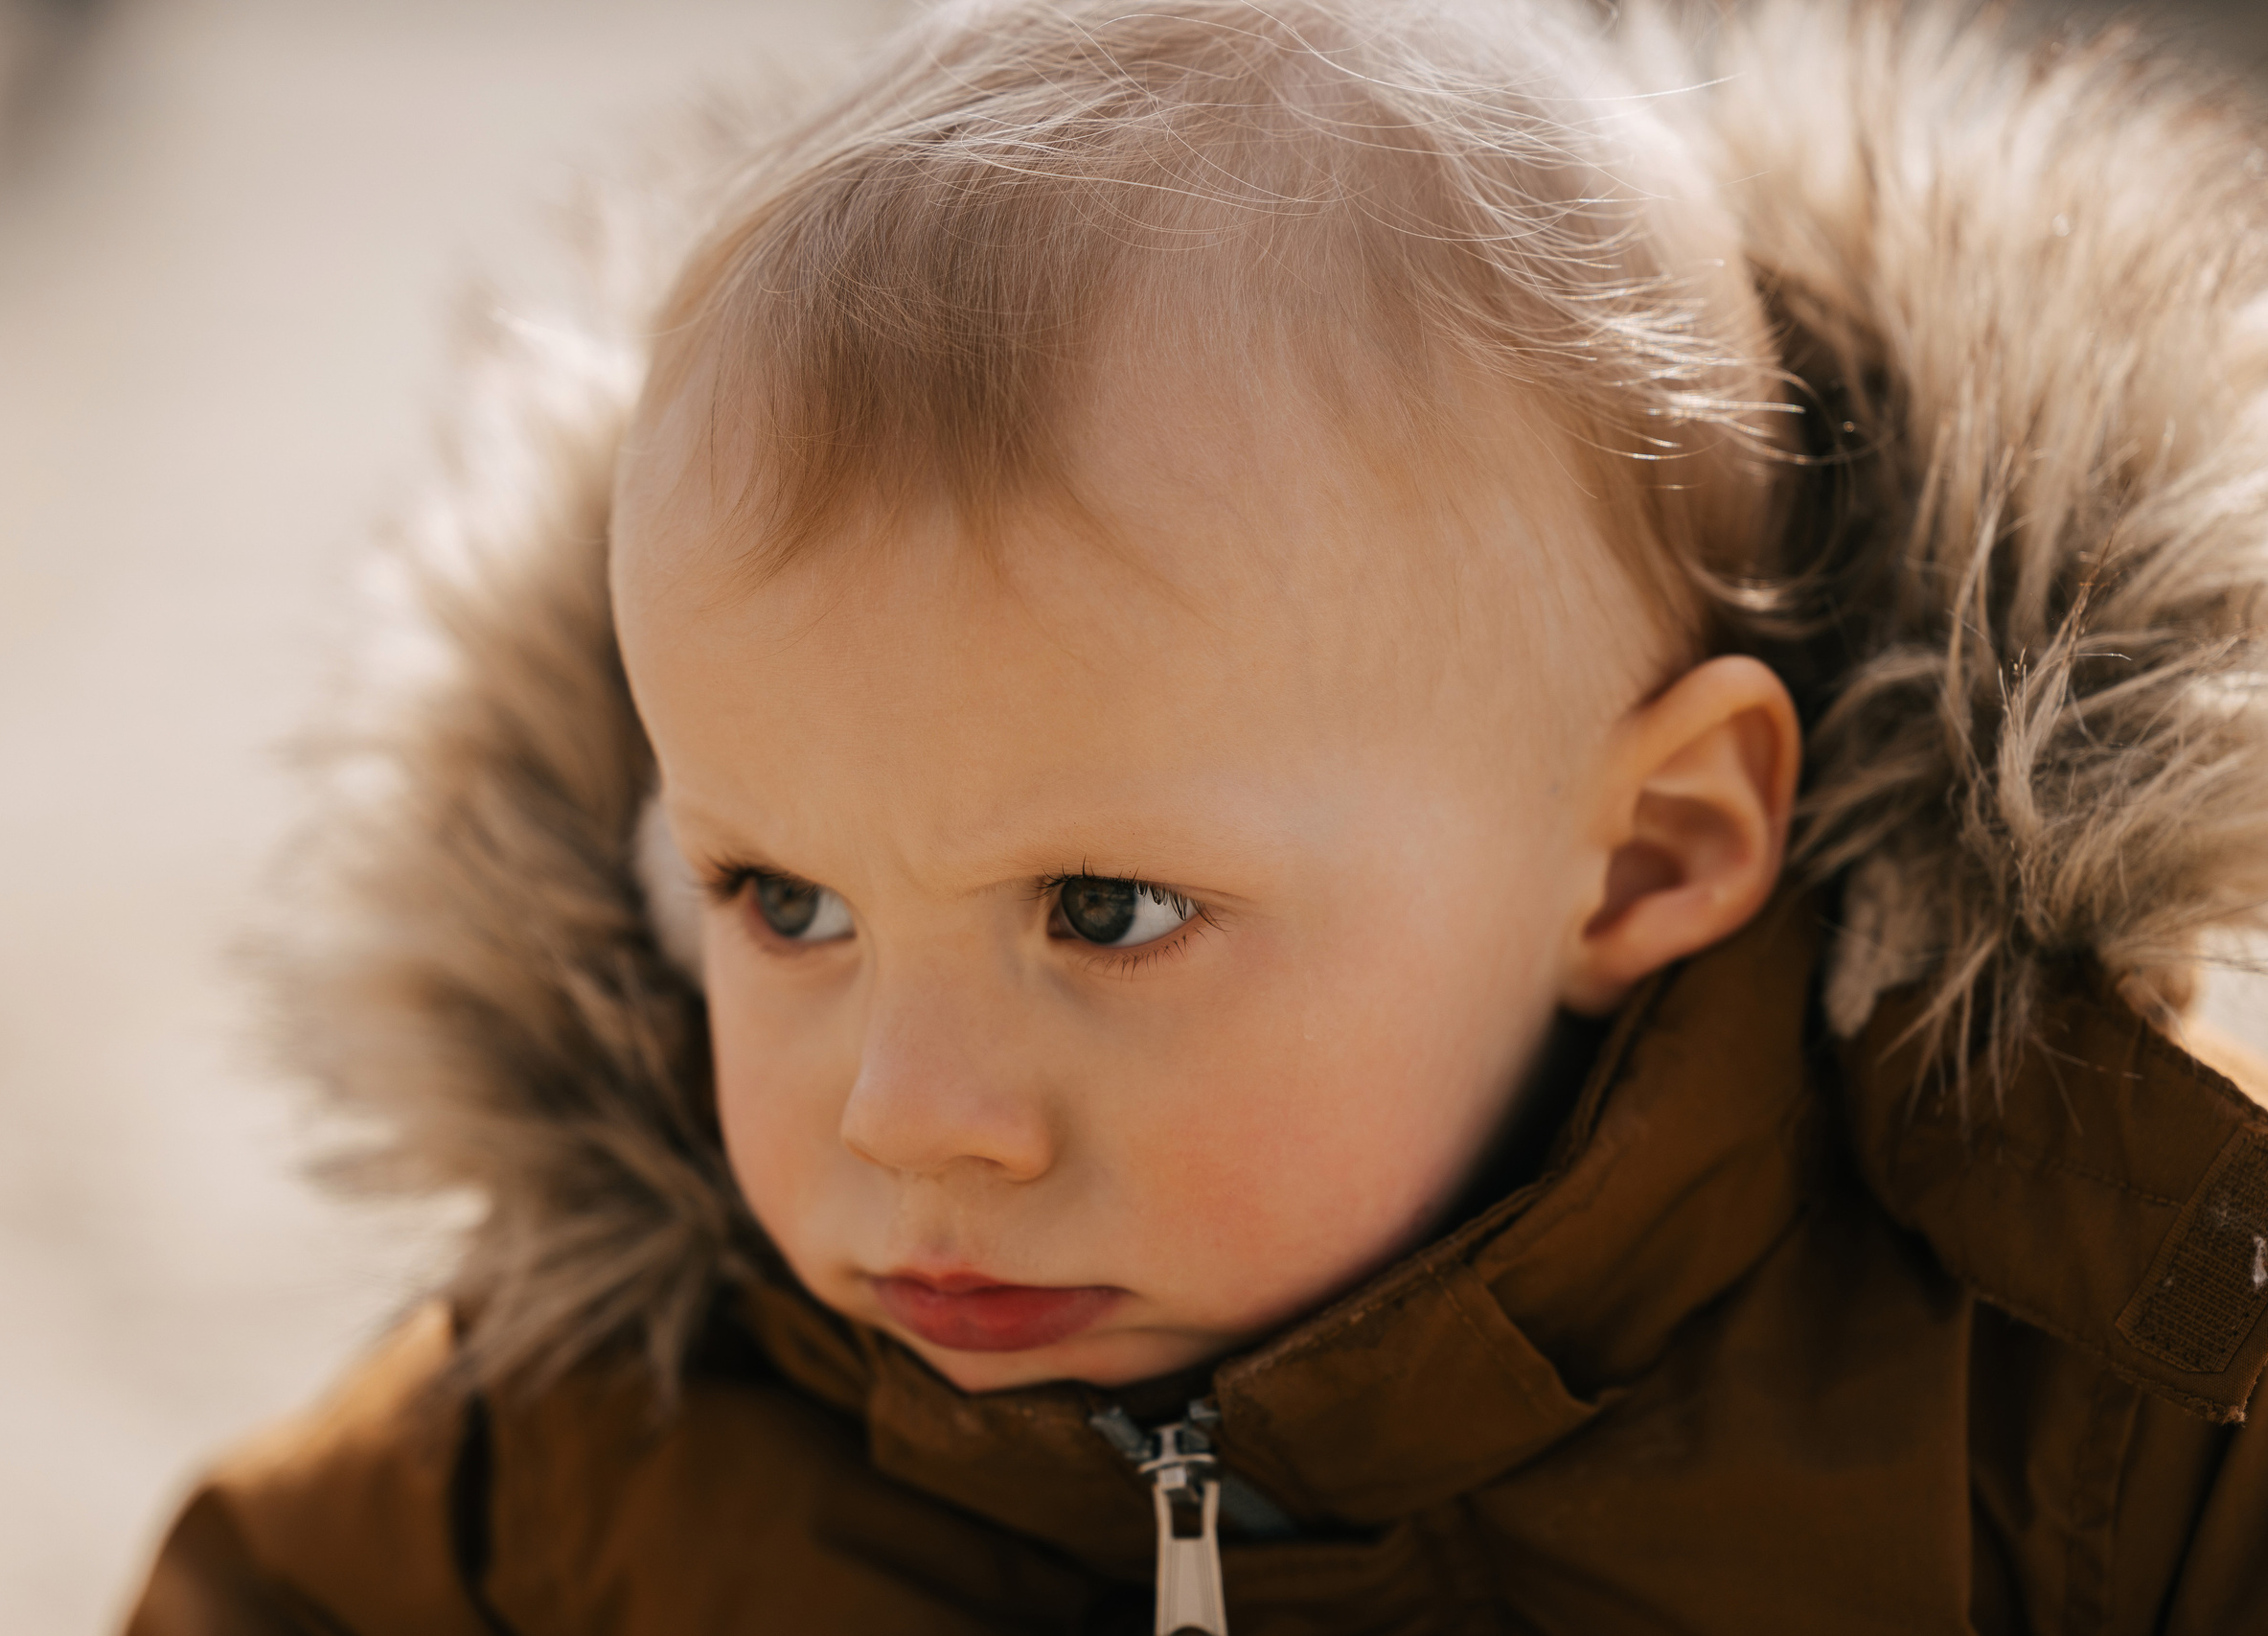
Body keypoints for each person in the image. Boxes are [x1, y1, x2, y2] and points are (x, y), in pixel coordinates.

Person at [124, 1, 2268, 1629]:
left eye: (1105, 905)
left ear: (1642, 854)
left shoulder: (2097, 1370)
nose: (907, 1109)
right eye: (781, 896)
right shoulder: (582, 1444)